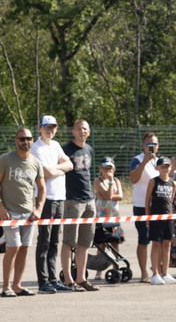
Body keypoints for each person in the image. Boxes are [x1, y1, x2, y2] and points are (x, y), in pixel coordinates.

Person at [0, 127, 44, 297]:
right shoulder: (6, 159)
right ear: (16, 141)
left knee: (24, 249)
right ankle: (5, 287)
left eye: (28, 138)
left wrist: (39, 209)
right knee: (13, 247)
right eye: (22, 139)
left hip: (29, 213)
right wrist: (0, 207)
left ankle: (17, 286)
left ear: (32, 140)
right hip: (10, 213)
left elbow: (42, 188)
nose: (25, 142)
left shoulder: (35, 162)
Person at [31, 116, 74, 294]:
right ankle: (43, 281)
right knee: (44, 240)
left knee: (55, 240)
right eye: (46, 127)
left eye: (53, 127)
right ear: (39, 128)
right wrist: (59, 169)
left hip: (60, 197)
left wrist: (57, 169)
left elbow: (70, 165)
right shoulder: (36, 148)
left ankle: (53, 279)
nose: (50, 131)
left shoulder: (56, 145)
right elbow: (45, 172)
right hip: (45, 198)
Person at [59, 119, 98, 292]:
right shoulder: (65, 150)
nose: (82, 131)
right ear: (73, 131)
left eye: (85, 129)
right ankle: (68, 280)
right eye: (79, 129)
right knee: (69, 241)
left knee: (85, 242)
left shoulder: (89, 149)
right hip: (72, 200)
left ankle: (81, 278)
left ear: (89, 132)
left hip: (89, 200)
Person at [128, 133, 162, 282]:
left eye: (154, 144)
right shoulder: (137, 160)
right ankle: (143, 273)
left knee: (159, 240)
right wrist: (144, 162)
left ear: (158, 146)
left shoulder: (161, 161)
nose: (151, 147)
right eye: (148, 144)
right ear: (143, 145)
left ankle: (157, 271)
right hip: (142, 206)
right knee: (144, 240)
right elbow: (133, 179)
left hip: (159, 206)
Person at [146, 157, 176, 285]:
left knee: (167, 245)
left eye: (167, 166)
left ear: (171, 168)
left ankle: (165, 273)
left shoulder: (173, 183)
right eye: (162, 166)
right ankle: (155, 273)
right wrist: (148, 217)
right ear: (157, 168)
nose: (165, 169)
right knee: (156, 244)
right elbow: (147, 200)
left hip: (168, 218)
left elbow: (171, 200)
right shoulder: (153, 181)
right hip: (156, 217)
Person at [93, 158, 126, 275]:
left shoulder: (117, 180)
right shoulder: (98, 181)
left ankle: (116, 267)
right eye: (105, 168)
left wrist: (107, 194)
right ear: (101, 168)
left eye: (110, 168)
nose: (108, 170)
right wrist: (110, 186)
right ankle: (99, 271)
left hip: (114, 217)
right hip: (102, 218)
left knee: (115, 243)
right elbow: (109, 196)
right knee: (101, 244)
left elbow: (120, 196)